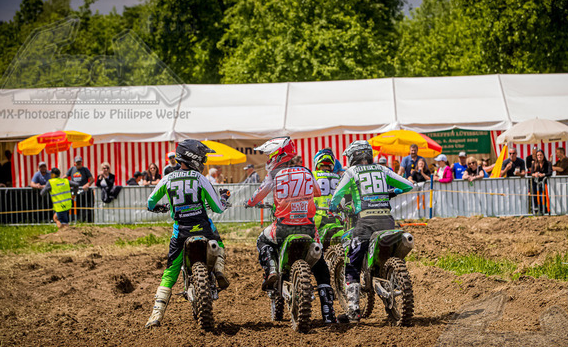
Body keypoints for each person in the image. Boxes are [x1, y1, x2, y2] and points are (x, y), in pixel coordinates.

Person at [246, 137, 336, 325]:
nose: (268, 159)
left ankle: (272, 269)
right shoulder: (306, 171)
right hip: (308, 228)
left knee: (262, 240)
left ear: (277, 155)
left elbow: (256, 197)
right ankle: (328, 313)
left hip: (283, 229)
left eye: (270, 155)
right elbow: (317, 192)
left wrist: (250, 203)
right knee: (320, 265)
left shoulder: (274, 175)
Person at [145, 140, 229, 328]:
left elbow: (150, 202)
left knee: (170, 272)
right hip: (203, 228)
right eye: (203, 158)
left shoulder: (167, 178)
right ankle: (218, 270)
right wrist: (223, 199)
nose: (204, 162)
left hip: (181, 231)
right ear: (194, 159)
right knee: (219, 245)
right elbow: (217, 208)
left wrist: (160, 207)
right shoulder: (200, 178)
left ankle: (155, 315)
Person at [328, 140, 414, 324]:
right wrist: (391, 192)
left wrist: (332, 207)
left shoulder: (351, 172)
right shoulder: (382, 169)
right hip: (387, 221)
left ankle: (353, 311)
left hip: (365, 223)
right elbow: (408, 185)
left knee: (352, 264)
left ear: (353, 156)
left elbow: (337, 196)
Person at [65, 156, 94, 223]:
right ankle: (75, 220)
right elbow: (64, 177)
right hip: (74, 192)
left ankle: (86, 221)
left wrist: (87, 185)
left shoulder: (85, 169)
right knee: (75, 207)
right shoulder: (71, 169)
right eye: (77, 162)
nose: (78, 163)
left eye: (79, 162)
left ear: (81, 162)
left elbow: (92, 179)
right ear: (74, 163)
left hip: (84, 192)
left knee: (84, 207)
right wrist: (67, 184)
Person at [530, 149, 551, 214]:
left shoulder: (548, 163)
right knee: (536, 196)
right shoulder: (534, 163)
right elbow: (531, 173)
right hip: (536, 183)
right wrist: (535, 174)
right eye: (538, 155)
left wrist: (543, 174)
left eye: (540, 155)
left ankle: (545, 210)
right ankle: (537, 209)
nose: (539, 156)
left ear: (543, 155)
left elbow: (550, 172)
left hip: (545, 182)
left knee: (544, 196)